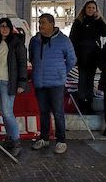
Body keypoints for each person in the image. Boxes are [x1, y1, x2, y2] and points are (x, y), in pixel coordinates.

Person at [30, 14, 76, 154]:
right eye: (39, 22)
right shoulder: (34, 40)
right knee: (43, 112)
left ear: (52, 24)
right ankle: (44, 138)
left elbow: (72, 60)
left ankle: (61, 141)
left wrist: (62, 72)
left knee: (58, 113)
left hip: (56, 83)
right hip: (40, 82)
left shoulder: (63, 40)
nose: (40, 25)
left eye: (43, 22)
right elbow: (31, 57)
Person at [0, 18, 27, 157]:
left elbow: (22, 63)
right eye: (1, 26)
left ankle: (16, 142)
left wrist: (21, 83)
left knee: (8, 113)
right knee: (3, 113)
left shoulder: (17, 43)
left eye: (6, 26)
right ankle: (10, 139)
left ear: (10, 28)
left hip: (8, 83)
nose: (4, 28)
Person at [69, 0, 106, 113]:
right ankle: (81, 104)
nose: (91, 10)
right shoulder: (78, 22)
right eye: (89, 8)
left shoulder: (98, 21)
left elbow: (105, 33)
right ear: (85, 9)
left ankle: (89, 104)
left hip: (93, 56)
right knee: (82, 81)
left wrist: (99, 19)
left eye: (93, 8)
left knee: (90, 81)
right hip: (81, 56)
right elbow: (72, 38)